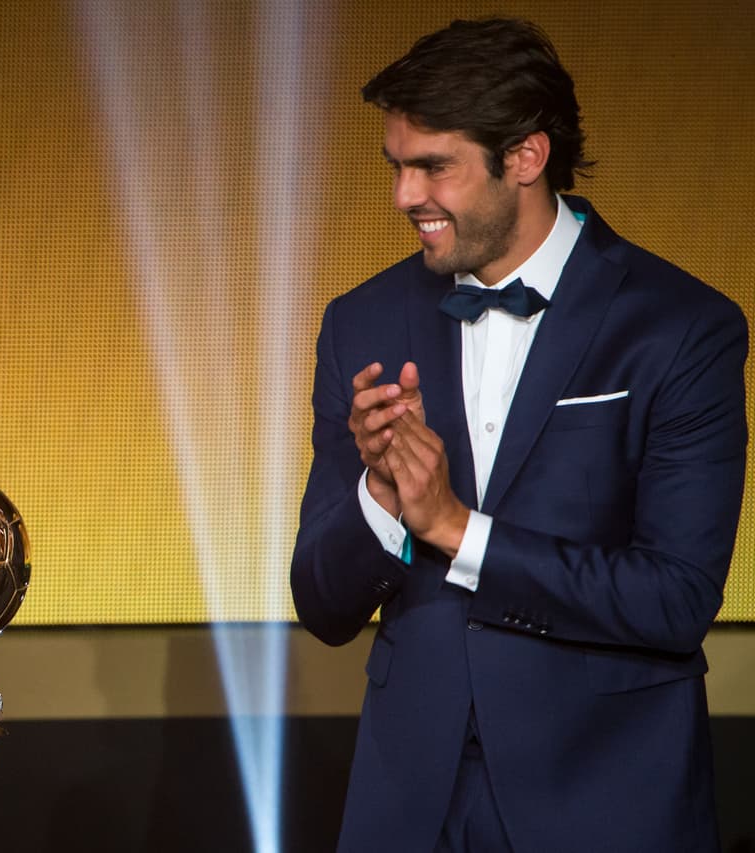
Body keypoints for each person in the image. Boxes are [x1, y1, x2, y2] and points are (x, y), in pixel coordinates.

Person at [290, 19, 747, 853]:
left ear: (526, 157)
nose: (404, 196)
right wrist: (382, 499)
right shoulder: (363, 323)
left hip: (603, 796)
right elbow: (321, 604)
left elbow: (676, 599)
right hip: (410, 801)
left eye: (433, 166)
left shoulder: (681, 327)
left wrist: (457, 530)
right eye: (397, 166)